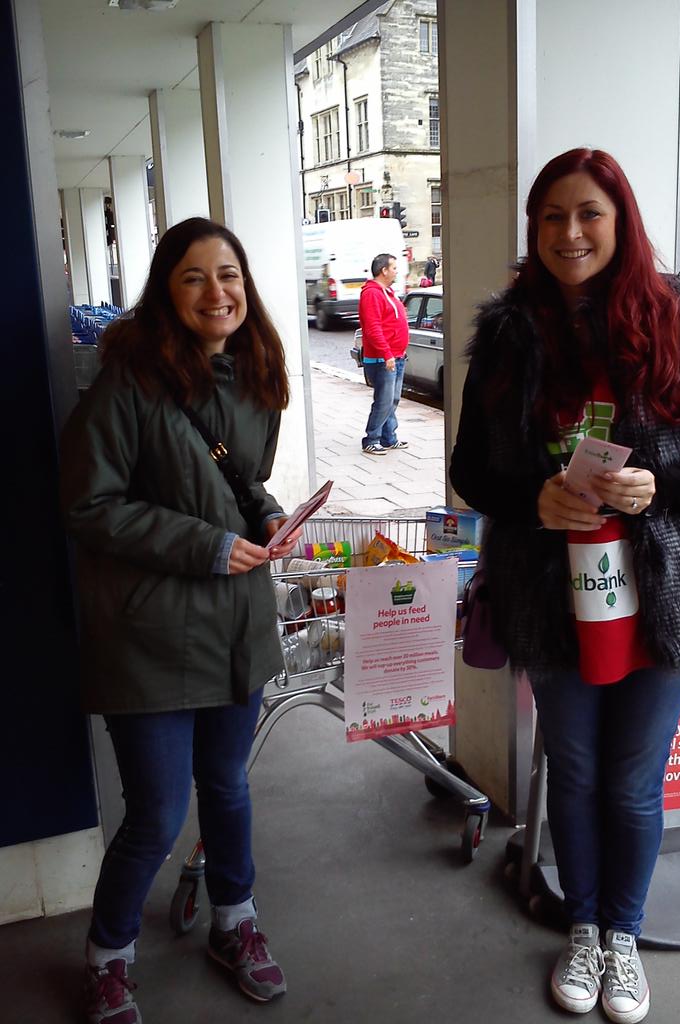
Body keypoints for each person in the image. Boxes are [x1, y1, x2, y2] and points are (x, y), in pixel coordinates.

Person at [450, 149, 680, 1023]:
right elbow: (472, 468)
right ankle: (583, 929)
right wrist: (533, 500)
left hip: (671, 589)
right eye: (551, 217)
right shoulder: (510, 332)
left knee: (632, 779)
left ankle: (623, 935)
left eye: (588, 213)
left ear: (620, 219)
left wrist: (661, 486)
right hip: (556, 596)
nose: (569, 233)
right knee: (578, 771)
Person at [60, 217, 302, 1024]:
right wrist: (206, 545)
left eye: (229, 273)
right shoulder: (126, 379)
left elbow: (244, 487)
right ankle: (108, 956)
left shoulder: (255, 371)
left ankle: (236, 921)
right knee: (159, 813)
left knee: (228, 789)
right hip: (150, 632)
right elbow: (89, 506)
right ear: (166, 287)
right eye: (194, 276)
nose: (216, 291)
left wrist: (267, 520)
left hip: (235, 623)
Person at [359, 252, 409, 455]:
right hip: (383, 359)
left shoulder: (386, 292)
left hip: (396, 356)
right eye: (394, 267)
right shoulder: (372, 294)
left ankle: (389, 437)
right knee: (384, 400)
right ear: (384, 270)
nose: (397, 271)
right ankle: (371, 439)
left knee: (393, 400)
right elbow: (373, 328)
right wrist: (387, 354)